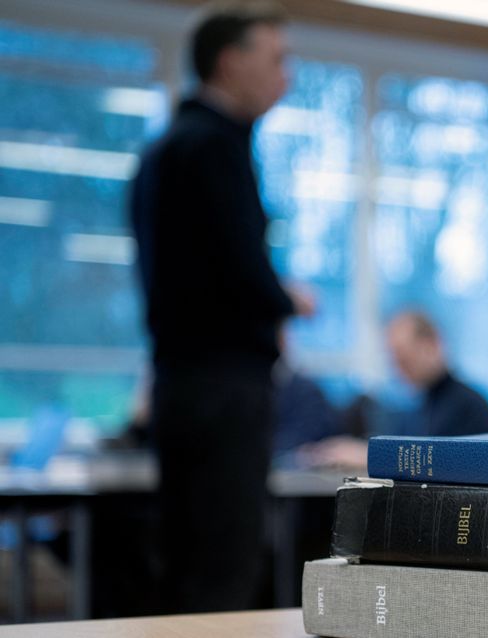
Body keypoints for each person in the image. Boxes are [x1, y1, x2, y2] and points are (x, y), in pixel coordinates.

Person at [129, 2, 315, 613]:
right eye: (277, 59)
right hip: (225, 391)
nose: (287, 76)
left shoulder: (164, 150)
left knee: (182, 564)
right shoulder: (216, 148)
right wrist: (287, 297)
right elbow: (240, 271)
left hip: (178, 387)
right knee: (223, 571)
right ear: (231, 63)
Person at [302, 311, 488, 467]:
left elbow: (439, 462)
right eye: (395, 360)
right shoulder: (420, 404)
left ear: (432, 344)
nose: (399, 369)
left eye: (404, 358)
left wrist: (367, 456)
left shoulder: (468, 405)